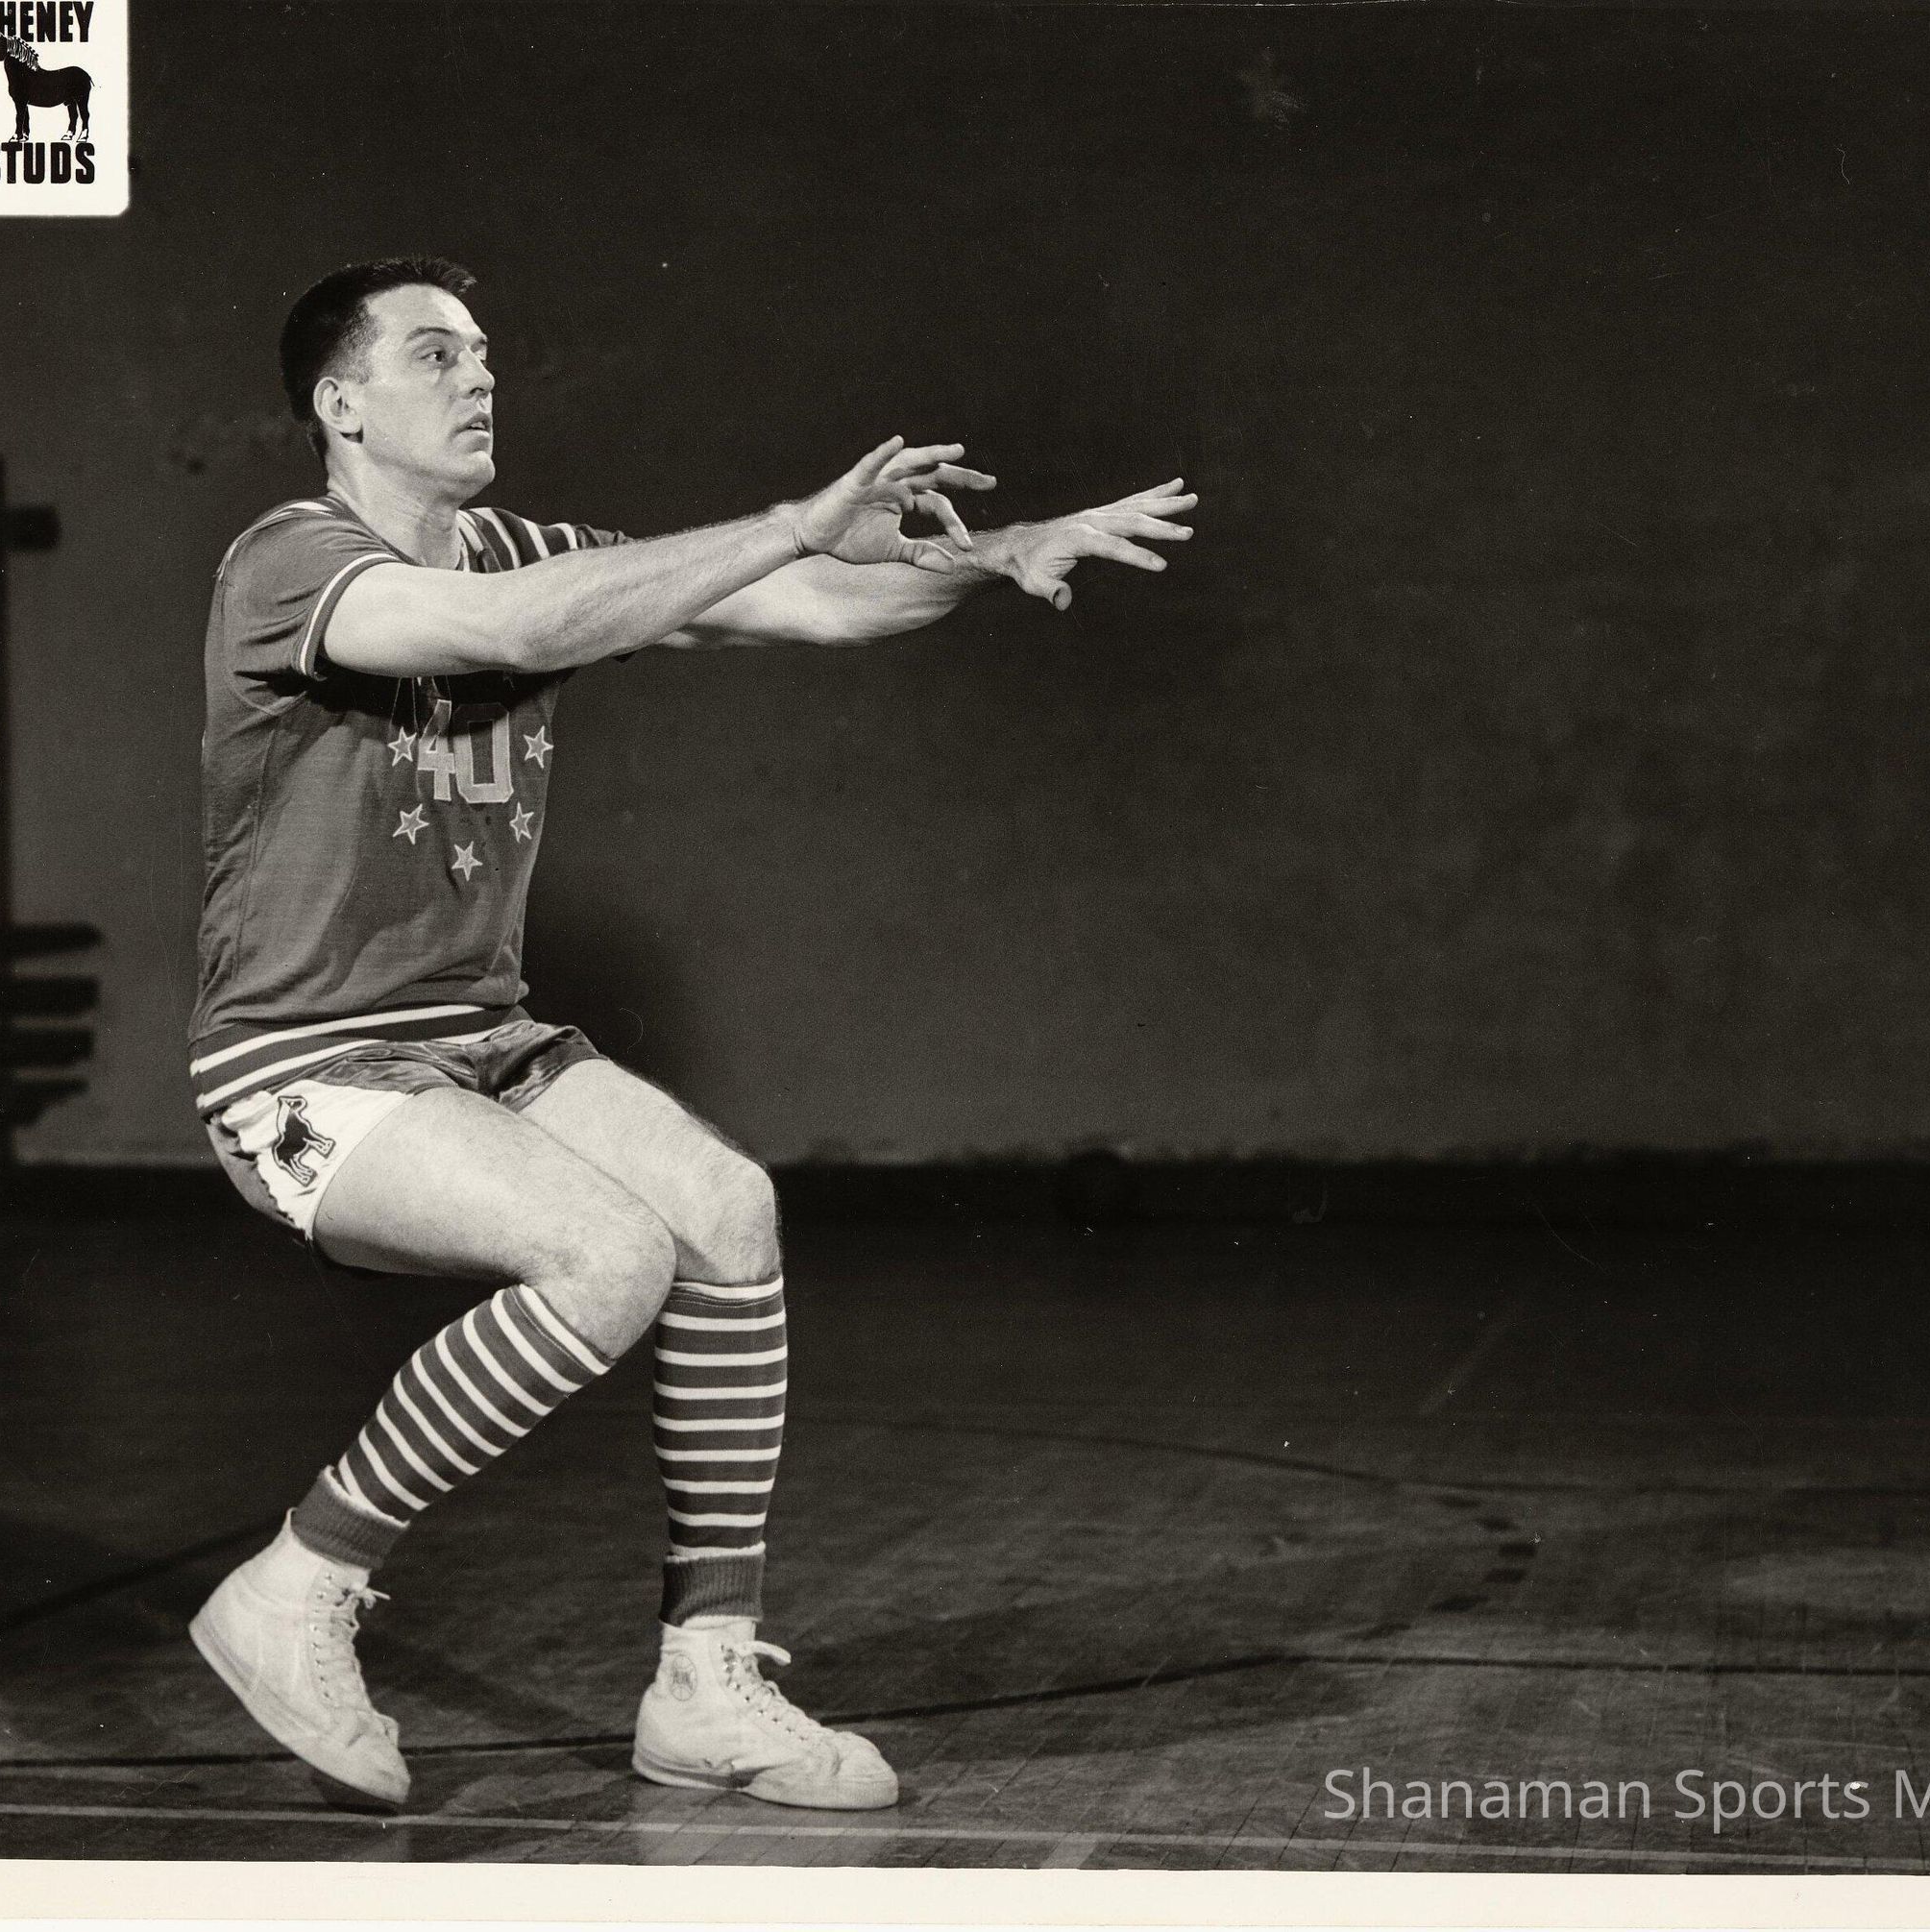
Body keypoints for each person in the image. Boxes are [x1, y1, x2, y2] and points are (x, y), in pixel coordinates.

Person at [185, 256, 1196, 1812]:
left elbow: (803, 603)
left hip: (478, 1041)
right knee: (608, 1257)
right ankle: (297, 1582)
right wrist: (787, 520)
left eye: (485, 353)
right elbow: (501, 625)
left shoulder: (521, 546)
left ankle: (704, 1684)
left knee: (725, 1213)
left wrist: (994, 556)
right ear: (341, 404)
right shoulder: (291, 562)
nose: (479, 375)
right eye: (436, 354)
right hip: (300, 1072)